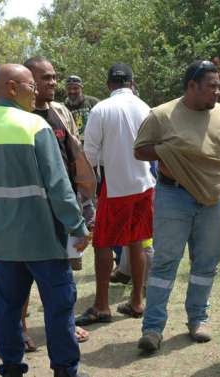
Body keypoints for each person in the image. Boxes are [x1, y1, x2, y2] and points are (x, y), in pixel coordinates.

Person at [0, 64, 90, 377]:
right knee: (59, 307)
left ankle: (10, 367)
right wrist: (77, 225)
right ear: (11, 87)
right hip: (43, 238)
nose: (36, 90)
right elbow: (59, 188)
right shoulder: (34, 126)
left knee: (8, 308)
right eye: (30, 85)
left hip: (2, 241)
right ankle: (64, 369)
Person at [134, 60, 220, 352]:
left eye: (219, 86)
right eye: (211, 86)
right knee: (165, 262)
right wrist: (168, 152)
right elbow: (140, 150)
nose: (217, 92)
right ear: (191, 86)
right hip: (173, 196)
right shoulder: (162, 115)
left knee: (206, 261)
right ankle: (153, 328)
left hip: (211, 200)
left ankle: (198, 319)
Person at [22, 56, 92, 348]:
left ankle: (66, 324)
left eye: (53, 77)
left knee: (65, 270)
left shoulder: (60, 112)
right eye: (45, 78)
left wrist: (84, 202)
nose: (52, 82)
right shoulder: (21, 117)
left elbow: (74, 154)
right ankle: (21, 328)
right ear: (28, 81)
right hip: (30, 210)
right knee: (23, 272)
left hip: (62, 205)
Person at [77, 63, 155, 325]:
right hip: (144, 184)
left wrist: (88, 190)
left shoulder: (101, 109)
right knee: (137, 240)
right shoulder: (145, 108)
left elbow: (89, 154)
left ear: (109, 84)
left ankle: (101, 305)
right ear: (132, 83)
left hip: (116, 186)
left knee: (102, 243)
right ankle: (136, 301)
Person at [64, 75, 100, 141]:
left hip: (92, 143)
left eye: (75, 88)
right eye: (69, 88)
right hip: (74, 145)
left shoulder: (93, 102)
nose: (72, 91)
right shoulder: (63, 108)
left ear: (81, 88)